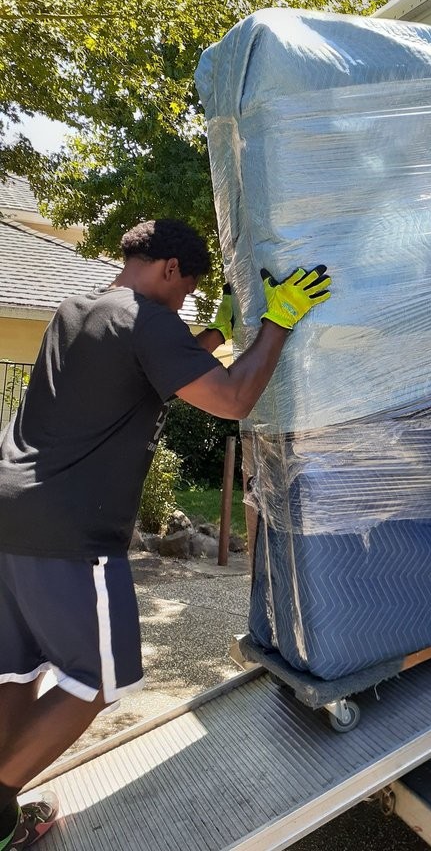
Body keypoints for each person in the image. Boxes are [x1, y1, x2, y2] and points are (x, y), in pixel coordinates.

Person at [0, 219, 331, 848]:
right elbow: (232, 399)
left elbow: (158, 364)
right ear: (170, 268)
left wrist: (221, 335)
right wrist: (279, 323)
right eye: (186, 292)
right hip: (69, 529)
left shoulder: (76, 311)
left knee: (16, 670)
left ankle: (5, 796)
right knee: (95, 680)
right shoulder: (149, 321)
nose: (183, 306)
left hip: (9, 513)